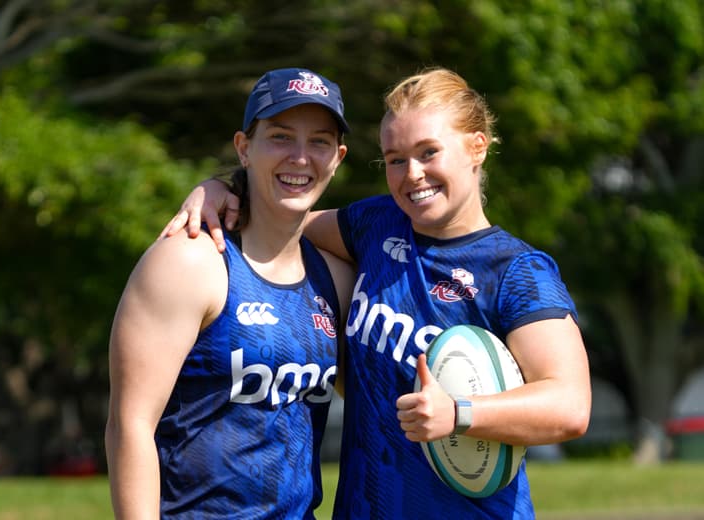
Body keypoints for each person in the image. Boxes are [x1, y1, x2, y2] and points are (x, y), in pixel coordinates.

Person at [163, 67, 592, 519]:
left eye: (429, 152)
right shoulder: (377, 224)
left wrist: (459, 413)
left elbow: (570, 405)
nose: (413, 174)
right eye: (395, 159)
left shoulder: (517, 271)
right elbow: (281, 220)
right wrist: (221, 190)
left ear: (476, 148)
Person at [105, 67, 355, 519]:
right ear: (245, 148)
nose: (300, 157)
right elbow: (130, 425)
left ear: (337, 157)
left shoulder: (335, 278)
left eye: (318, 141)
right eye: (280, 137)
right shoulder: (189, 262)